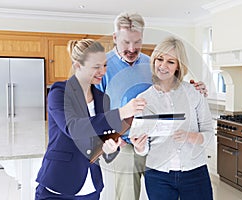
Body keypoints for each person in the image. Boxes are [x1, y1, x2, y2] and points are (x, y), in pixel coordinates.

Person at [95, 12, 208, 200]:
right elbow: (94, 112)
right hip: (124, 146)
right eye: (125, 42)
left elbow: (174, 88)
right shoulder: (102, 67)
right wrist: (111, 138)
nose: (132, 48)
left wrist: (197, 87)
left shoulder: (152, 64)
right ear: (115, 38)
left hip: (157, 144)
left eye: (137, 42)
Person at [35, 38, 147, 200]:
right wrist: (121, 112)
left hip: (91, 187)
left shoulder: (102, 98)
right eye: (96, 66)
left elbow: (104, 142)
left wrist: (110, 149)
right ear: (78, 65)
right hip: (58, 184)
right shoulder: (59, 92)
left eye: (104, 65)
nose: (102, 71)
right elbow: (74, 128)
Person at [131, 36, 214, 200]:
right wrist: (139, 147)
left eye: (170, 61)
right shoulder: (143, 99)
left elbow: (210, 134)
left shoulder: (194, 93)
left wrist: (191, 136)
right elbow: (143, 146)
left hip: (195, 172)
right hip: (157, 175)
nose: (163, 66)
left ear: (178, 66)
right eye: (159, 59)